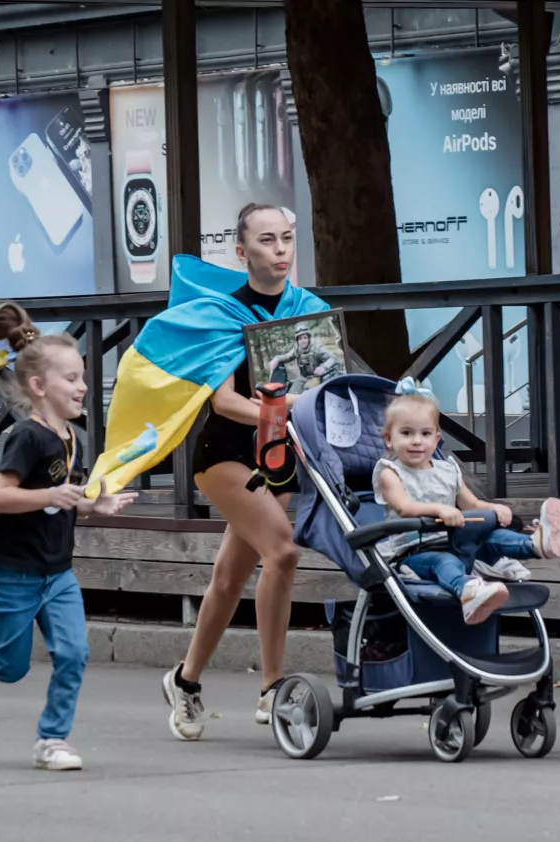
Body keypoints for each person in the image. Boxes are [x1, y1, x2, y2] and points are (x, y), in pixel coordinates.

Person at [158, 203, 330, 740]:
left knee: (230, 579)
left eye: (286, 239)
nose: (280, 250)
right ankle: (272, 689)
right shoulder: (222, 315)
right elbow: (225, 403)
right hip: (225, 457)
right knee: (283, 550)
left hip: (281, 458)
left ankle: (184, 682)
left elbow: (330, 379)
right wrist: (283, 410)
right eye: (266, 241)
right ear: (242, 252)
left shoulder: (308, 310)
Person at [0, 302, 138, 771]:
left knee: (73, 653)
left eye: (83, 377)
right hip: (12, 573)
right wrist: (52, 491)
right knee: (10, 669)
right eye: (71, 378)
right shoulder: (27, 437)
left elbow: (59, 501)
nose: (83, 386)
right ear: (38, 386)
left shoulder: (71, 437)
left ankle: (52, 739)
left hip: (57, 572)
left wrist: (94, 505)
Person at [372, 378, 560, 624]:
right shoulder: (390, 473)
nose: (416, 441)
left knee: (491, 538)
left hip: (458, 544)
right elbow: (404, 508)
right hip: (416, 552)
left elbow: (471, 505)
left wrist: (495, 508)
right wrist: (440, 509)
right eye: (406, 433)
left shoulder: (448, 470)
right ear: (389, 439)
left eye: (424, 434)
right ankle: (468, 590)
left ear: (436, 439)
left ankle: (536, 544)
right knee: (444, 561)